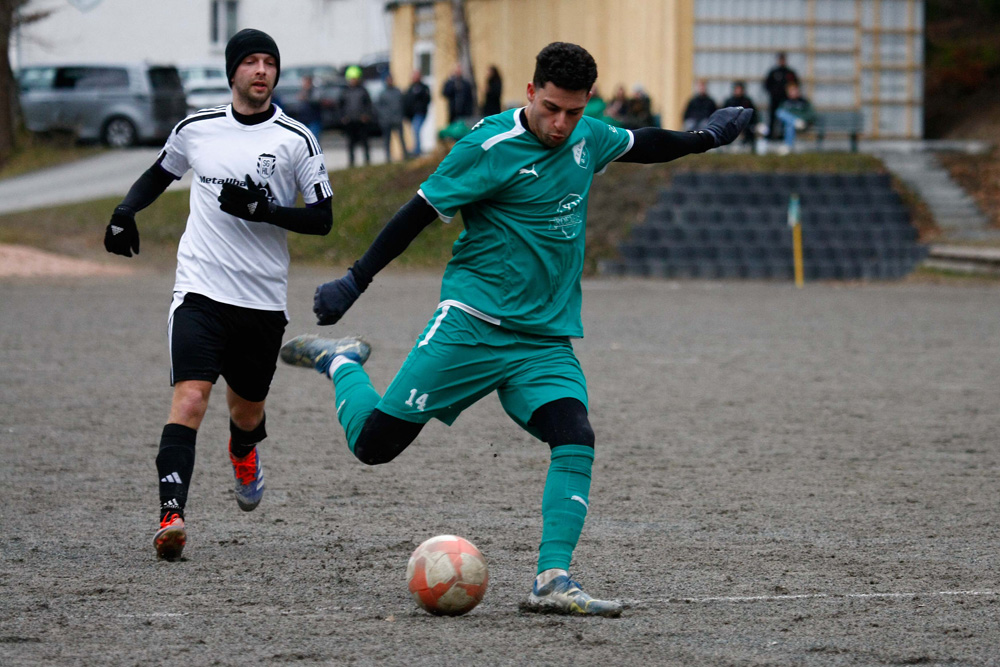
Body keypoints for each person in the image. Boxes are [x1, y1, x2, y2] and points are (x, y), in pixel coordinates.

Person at [278, 42, 751, 616]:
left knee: (575, 435)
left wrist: (706, 136)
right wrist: (354, 282)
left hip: (543, 340)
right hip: (472, 325)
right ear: (530, 93)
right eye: (551, 108)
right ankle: (342, 363)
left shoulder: (586, 136)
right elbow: (416, 214)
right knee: (373, 447)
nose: (561, 124)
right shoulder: (486, 147)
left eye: (574, 112)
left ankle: (551, 579)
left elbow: (644, 142)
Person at [102, 28, 334, 561]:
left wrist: (265, 211)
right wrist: (124, 212)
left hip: (261, 301)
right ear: (232, 72)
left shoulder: (295, 139)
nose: (260, 70)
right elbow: (161, 172)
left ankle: (243, 451)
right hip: (200, 291)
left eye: (268, 63)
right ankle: (171, 515)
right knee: (189, 397)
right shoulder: (196, 129)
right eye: (250, 62)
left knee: (247, 410)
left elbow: (322, 219)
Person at [340, 65, 374, 167]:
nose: (353, 81)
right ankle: (351, 162)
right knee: (350, 143)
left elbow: (369, 105)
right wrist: (343, 117)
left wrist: (366, 115)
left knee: (365, 142)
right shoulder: (345, 92)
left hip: (361, 121)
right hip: (350, 121)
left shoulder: (363, 91)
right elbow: (340, 106)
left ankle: (367, 161)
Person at [763, 51, 799, 141]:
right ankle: (770, 136)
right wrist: (772, 92)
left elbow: (796, 84)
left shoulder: (790, 73)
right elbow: (766, 84)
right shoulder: (774, 72)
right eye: (780, 59)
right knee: (772, 118)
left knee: (785, 119)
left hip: (786, 100)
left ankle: (784, 136)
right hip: (774, 100)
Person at [774, 82, 817, 154]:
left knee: (788, 123)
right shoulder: (785, 102)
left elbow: (811, 114)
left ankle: (787, 147)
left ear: (798, 91)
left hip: (803, 124)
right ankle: (795, 122)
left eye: (794, 90)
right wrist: (794, 121)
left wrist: (802, 119)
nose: (792, 93)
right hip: (790, 124)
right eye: (790, 91)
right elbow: (780, 114)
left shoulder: (804, 102)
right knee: (781, 114)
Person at [375, 73, 408, 162]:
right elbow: (378, 107)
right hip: (386, 120)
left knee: (401, 138)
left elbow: (403, 104)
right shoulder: (382, 93)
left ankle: (405, 155)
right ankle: (388, 157)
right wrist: (383, 116)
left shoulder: (398, 92)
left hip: (397, 119)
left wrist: (402, 115)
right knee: (387, 139)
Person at [403, 70, 431, 157]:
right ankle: (416, 149)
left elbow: (427, 99)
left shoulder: (424, 88)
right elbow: (407, 101)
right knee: (415, 131)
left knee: (416, 130)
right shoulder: (410, 88)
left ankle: (417, 150)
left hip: (420, 113)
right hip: (411, 115)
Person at [722, 80, 756, 149]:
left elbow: (753, 115)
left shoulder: (747, 101)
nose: (738, 91)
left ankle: (748, 145)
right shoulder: (729, 101)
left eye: (740, 89)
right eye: (737, 89)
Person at [296, 74, 323, 140]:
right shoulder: (302, 91)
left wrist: (306, 98)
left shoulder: (315, 91)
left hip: (313, 120)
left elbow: (316, 101)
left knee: (314, 139)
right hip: (304, 120)